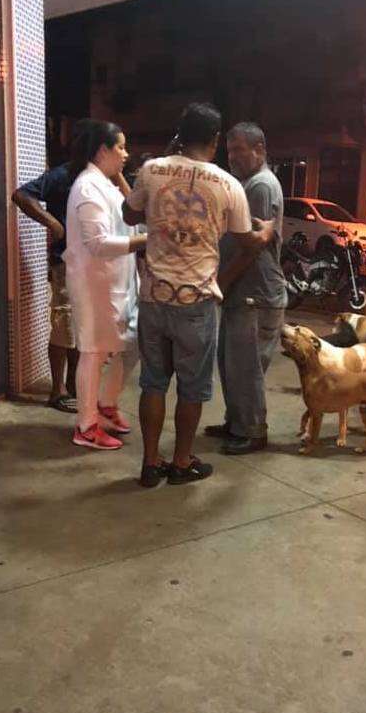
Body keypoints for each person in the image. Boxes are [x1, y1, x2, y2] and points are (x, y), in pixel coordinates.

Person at [122, 103, 274, 488]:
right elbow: (247, 242)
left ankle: (150, 464)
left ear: (179, 133)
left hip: (154, 296)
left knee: (153, 383)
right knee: (192, 388)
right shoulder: (228, 184)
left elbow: (128, 214)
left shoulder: (152, 169)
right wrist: (268, 231)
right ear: (216, 140)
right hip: (197, 301)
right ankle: (181, 462)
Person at [204, 122, 286, 455]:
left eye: (240, 149)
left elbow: (249, 248)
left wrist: (220, 284)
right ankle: (237, 422)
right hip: (244, 292)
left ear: (260, 149)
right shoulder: (247, 183)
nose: (233, 156)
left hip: (256, 293)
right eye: (230, 149)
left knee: (246, 367)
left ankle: (252, 430)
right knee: (232, 363)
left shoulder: (260, 186)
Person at [63, 121, 146, 450]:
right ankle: (85, 426)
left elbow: (130, 218)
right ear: (102, 150)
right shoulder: (87, 188)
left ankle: (106, 404)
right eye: (121, 147)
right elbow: (97, 243)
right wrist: (146, 240)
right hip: (95, 284)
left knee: (130, 345)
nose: (126, 154)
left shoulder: (106, 185)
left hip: (118, 283)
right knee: (94, 352)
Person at [12, 120, 94, 413]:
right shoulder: (63, 175)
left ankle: (73, 384)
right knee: (64, 326)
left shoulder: (96, 178)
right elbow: (22, 195)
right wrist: (53, 223)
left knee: (80, 330)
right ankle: (56, 390)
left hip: (92, 266)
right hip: (67, 263)